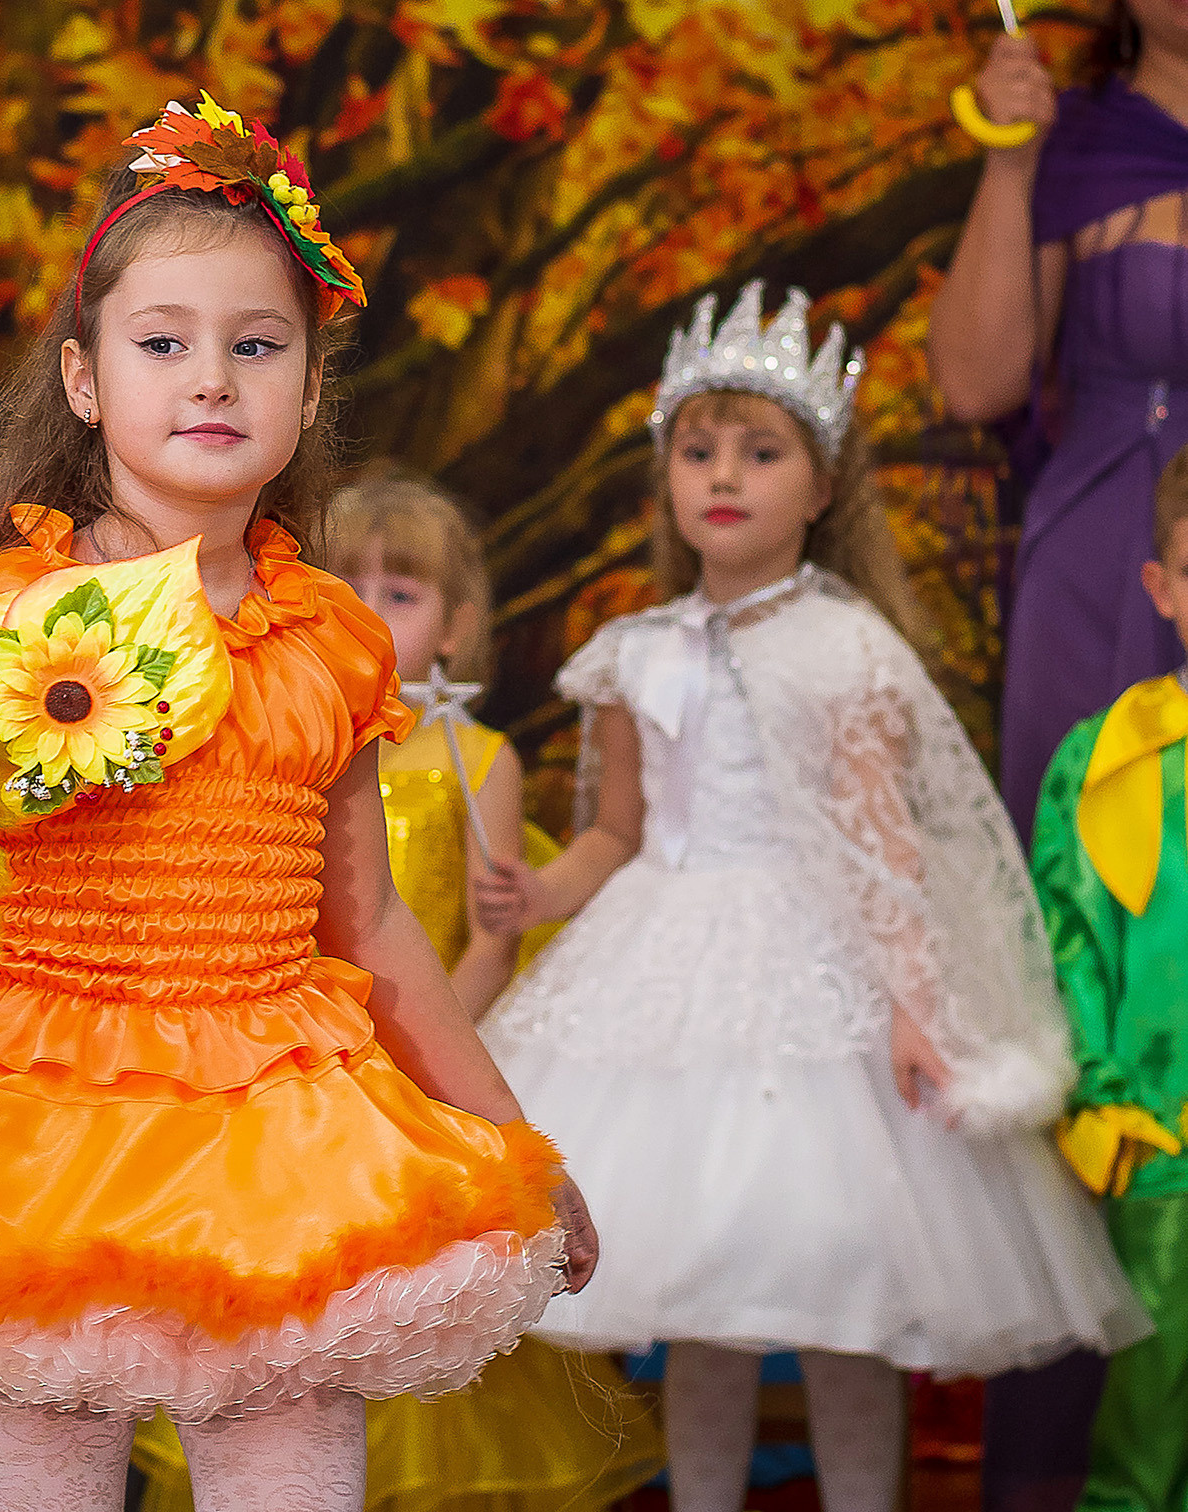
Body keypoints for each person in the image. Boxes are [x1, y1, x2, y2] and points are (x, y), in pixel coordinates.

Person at [0, 95, 595, 1511]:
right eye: (161, 342)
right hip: (32, 1122)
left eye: (256, 346)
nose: (210, 380)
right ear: (81, 378)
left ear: (307, 390)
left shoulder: (331, 641)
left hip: (279, 1131)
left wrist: (509, 1141)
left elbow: (369, 927)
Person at [478, 283, 1148, 1512]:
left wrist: (912, 1004)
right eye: (696, 449)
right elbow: (617, 832)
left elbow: (881, 850)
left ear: (821, 486)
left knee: (848, 1311)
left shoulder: (842, 648)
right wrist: (537, 893)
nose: (721, 474)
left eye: (759, 450)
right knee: (695, 1318)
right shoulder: (633, 649)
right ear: (666, 477)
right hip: (662, 973)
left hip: (814, 979)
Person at [132, 464, 661, 1512]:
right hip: (310, 1062)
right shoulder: (297, 725)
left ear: (457, 627)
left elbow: (476, 932)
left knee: (410, 1300)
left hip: (418, 1050)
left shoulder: (478, 755)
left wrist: (420, 1061)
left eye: (404, 593)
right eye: (353, 584)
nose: (371, 611)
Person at [929, 0, 1188, 841]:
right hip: (1102, 554)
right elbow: (974, 384)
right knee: (1085, 866)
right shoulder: (1071, 138)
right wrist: (1012, 165)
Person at [1030, 442, 1188, 1512]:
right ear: (1163, 588)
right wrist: (1099, 1094)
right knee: (1148, 1418)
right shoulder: (1103, 762)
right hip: (1163, 1137)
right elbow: (1067, 942)